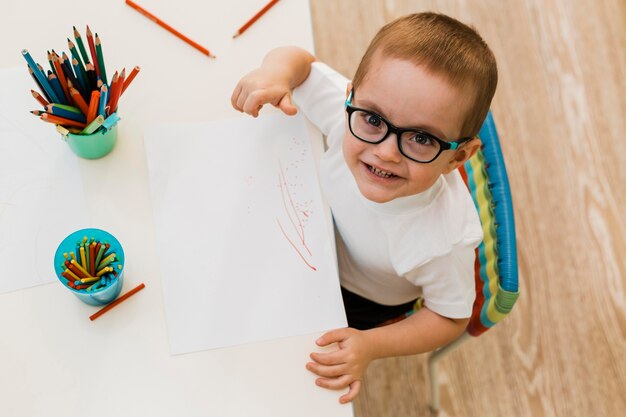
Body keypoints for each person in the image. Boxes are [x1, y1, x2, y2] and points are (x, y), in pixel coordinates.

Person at [231, 12, 497, 404]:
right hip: (305, 236)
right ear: (352, 98)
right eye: (374, 119)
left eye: (422, 138)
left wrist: (370, 346)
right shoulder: (350, 118)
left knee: (267, 375)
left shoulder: (445, 239)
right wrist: (274, 74)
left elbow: (449, 317)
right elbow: (300, 62)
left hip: (357, 301)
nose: (385, 152)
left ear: (459, 158)